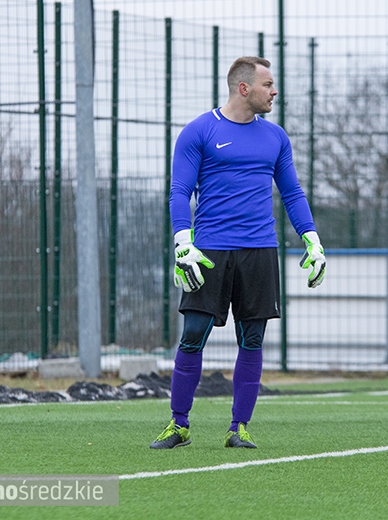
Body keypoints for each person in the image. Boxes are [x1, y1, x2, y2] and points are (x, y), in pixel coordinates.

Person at [150, 56, 325, 450]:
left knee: (253, 338)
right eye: (268, 84)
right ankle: (179, 425)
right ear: (244, 88)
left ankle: (239, 428)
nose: (274, 91)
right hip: (208, 251)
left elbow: (292, 192)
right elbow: (180, 191)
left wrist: (312, 238)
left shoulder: (276, 137)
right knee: (192, 336)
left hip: (260, 250)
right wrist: (182, 242)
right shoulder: (199, 130)